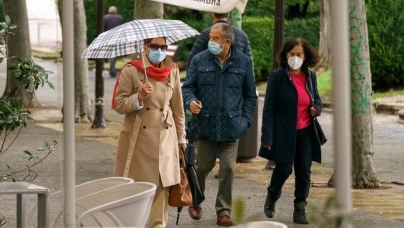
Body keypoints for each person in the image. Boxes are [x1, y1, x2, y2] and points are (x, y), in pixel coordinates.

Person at [182, 23, 257, 226]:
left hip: (232, 126)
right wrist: (190, 102)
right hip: (205, 125)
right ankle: (196, 201)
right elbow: (187, 87)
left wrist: (246, 121)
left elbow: (250, 95)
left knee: (228, 169)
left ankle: (223, 210)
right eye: (210, 38)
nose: (211, 41)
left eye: (215, 38)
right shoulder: (199, 60)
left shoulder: (243, 62)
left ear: (227, 42)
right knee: (202, 167)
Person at [112, 37, 186, 228]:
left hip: (165, 138)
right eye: (155, 46)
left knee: (162, 188)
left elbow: (178, 108)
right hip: (138, 139)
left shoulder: (173, 71)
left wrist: (181, 139)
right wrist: (139, 97)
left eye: (163, 47)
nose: (159, 50)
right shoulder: (132, 70)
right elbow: (118, 104)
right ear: (145, 47)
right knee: (138, 187)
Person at [259, 38, 322, 225]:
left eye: (299, 54)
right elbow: (269, 108)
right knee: (284, 169)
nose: (295, 57)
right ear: (285, 55)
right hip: (284, 133)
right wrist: (267, 137)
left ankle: (300, 208)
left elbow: (317, 100)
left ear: (306, 56)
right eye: (292, 54)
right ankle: (272, 194)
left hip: (306, 132)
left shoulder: (310, 77)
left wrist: (316, 109)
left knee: (304, 172)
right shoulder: (277, 76)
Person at [186, 12, 251, 68]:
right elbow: (249, 63)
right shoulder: (242, 35)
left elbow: (192, 61)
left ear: (213, 14)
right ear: (228, 14)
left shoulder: (205, 34)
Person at [102, 6, 124, 77]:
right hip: (117, 38)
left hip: (108, 38)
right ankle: (112, 70)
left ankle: (112, 70)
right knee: (114, 54)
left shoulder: (105, 17)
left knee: (110, 54)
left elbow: (103, 28)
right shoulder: (120, 17)